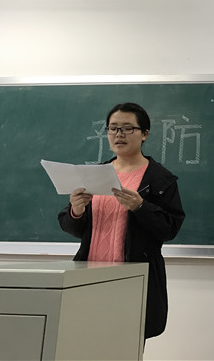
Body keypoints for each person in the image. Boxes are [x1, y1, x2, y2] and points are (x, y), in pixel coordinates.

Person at [58, 102, 185, 340]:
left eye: (128, 128)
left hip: (132, 279)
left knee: (125, 346)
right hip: (88, 277)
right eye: (113, 128)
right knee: (83, 344)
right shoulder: (95, 174)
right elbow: (71, 226)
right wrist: (76, 210)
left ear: (144, 134)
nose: (119, 134)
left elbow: (170, 228)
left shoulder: (160, 179)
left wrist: (140, 207)